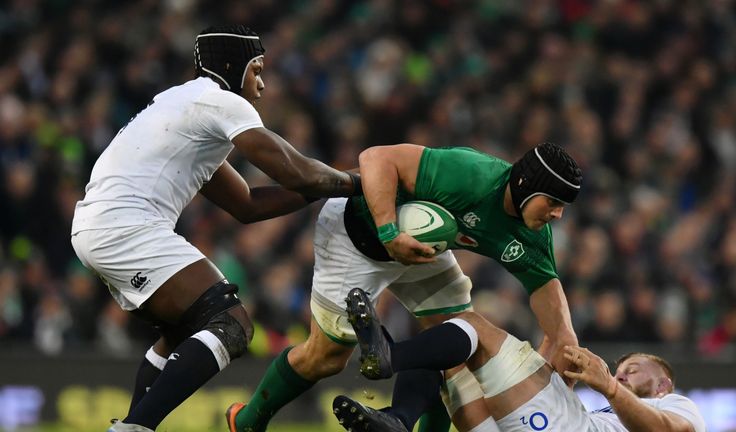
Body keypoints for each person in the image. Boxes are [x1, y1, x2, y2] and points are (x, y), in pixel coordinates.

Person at [70, 25, 362, 432]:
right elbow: (296, 172)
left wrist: (326, 188)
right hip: (125, 225)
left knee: (178, 332)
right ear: (232, 65)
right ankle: (134, 428)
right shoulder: (221, 101)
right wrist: (357, 181)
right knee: (232, 323)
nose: (261, 84)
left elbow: (246, 205)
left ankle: (135, 426)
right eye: (256, 70)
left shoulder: (182, 105)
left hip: (97, 225)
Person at [228, 142, 583, 432]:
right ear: (524, 186)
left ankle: (399, 419)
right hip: (359, 232)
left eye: (563, 206)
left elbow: (551, 303)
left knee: (455, 339)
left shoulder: (533, 236)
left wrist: (564, 343)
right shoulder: (473, 175)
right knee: (325, 359)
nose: (557, 215)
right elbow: (375, 158)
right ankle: (247, 421)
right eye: (552, 202)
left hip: (421, 250)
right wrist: (388, 231)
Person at [333, 287, 707, 432]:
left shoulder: (680, 407)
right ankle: (397, 421)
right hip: (546, 423)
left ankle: (389, 356)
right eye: (621, 369)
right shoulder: (608, 417)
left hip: (558, 426)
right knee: (446, 355)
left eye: (635, 369)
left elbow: (663, 431)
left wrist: (608, 384)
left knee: (472, 328)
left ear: (663, 384)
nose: (623, 373)